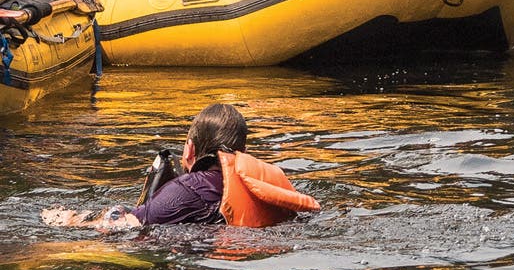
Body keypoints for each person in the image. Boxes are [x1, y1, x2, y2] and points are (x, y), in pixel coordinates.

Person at [40, 101, 319, 231]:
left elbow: (123, 225)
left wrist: (68, 219)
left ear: (190, 149)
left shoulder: (186, 190)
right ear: (244, 152)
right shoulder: (269, 183)